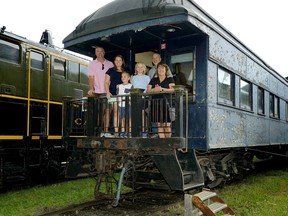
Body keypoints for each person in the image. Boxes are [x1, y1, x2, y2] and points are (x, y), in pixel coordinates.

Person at [87, 46, 114, 137]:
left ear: (104, 52)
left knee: (108, 111)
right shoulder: (92, 64)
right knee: (99, 112)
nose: (99, 53)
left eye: (101, 51)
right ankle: (98, 130)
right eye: (97, 51)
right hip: (98, 92)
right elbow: (91, 77)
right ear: (95, 53)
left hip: (109, 92)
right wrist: (91, 89)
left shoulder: (110, 64)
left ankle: (105, 132)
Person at [147, 63, 175, 138]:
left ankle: (168, 143)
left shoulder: (170, 79)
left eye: (163, 68)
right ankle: (163, 145)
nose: (161, 70)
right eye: (159, 68)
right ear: (157, 70)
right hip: (156, 103)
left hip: (166, 104)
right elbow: (148, 90)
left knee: (167, 125)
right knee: (159, 126)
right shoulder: (153, 80)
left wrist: (162, 89)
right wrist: (154, 90)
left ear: (166, 70)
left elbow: (173, 90)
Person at [104, 54, 127, 136]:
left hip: (123, 95)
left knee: (122, 113)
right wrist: (107, 92)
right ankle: (116, 132)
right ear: (114, 61)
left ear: (122, 61)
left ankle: (123, 132)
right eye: (116, 60)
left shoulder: (126, 70)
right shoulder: (110, 70)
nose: (118, 62)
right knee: (115, 113)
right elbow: (106, 82)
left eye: (120, 60)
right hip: (113, 95)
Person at [131, 62, 150, 137]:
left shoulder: (147, 77)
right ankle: (136, 130)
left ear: (144, 69)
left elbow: (148, 88)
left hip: (144, 98)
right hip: (135, 98)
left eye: (141, 67)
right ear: (136, 68)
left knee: (142, 114)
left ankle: (144, 130)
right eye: (138, 67)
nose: (140, 68)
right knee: (136, 115)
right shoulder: (133, 78)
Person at [117, 72, 133, 137]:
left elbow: (132, 95)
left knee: (129, 118)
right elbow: (118, 94)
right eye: (122, 76)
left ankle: (129, 131)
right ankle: (123, 132)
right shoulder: (119, 86)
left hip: (128, 104)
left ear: (129, 78)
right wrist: (118, 101)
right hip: (121, 104)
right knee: (123, 118)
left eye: (125, 76)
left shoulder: (131, 86)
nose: (123, 78)